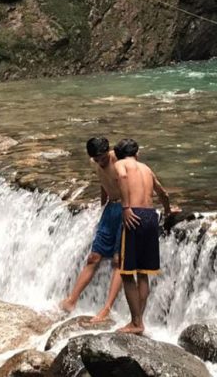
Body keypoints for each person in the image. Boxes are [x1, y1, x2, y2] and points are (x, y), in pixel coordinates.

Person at [113, 137, 178, 335]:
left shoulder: (120, 164)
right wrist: (167, 212)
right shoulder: (146, 168)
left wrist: (125, 207)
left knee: (125, 273)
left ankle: (136, 323)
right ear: (137, 153)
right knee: (142, 273)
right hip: (151, 216)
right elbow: (163, 193)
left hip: (133, 214)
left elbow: (123, 177)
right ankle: (138, 320)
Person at [59, 137, 124, 321]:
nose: (101, 162)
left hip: (126, 208)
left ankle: (107, 308)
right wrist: (103, 207)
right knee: (94, 257)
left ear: (108, 152)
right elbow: (103, 182)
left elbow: (138, 179)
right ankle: (71, 300)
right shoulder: (94, 163)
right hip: (111, 209)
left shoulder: (119, 160)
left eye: (103, 158)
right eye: (97, 159)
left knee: (119, 261)